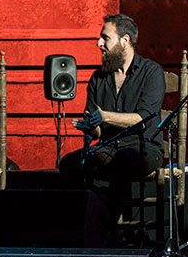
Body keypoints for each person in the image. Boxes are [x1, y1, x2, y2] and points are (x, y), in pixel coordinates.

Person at [58, 14, 166, 232]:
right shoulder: (99, 78)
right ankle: (83, 224)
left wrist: (105, 116)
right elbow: (97, 131)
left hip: (144, 148)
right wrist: (90, 125)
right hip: (108, 146)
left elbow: (142, 120)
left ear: (124, 41)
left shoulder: (151, 72)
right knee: (69, 163)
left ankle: (105, 230)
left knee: (123, 159)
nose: (99, 44)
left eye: (105, 38)